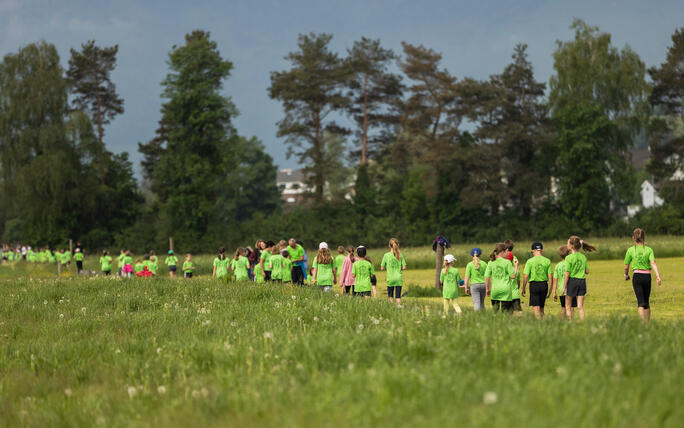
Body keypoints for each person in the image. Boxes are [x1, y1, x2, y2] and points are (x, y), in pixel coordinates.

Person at [624, 228, 662, 323]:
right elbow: (653, 263)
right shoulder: (649, 250)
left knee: (640, 302)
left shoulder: (630, 250)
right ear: (644, 238)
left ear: (633, 238)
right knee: (646, 302)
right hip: (647, 277)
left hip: (637, 276)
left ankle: (642, 325)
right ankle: (647, 324)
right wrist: (658, 276)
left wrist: (626, 274)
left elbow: (626, 266)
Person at [561, 236, 597, 321]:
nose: (567, 245)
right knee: (580, 306)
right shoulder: (583, 257)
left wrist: (563, 287)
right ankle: (582, 322)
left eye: (568, 243)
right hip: (582, 282)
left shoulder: (568, 258)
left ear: (572, 246)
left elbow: (567, 273)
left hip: (572, 281)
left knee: (568, 306)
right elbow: (587, 271)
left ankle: (570, 322)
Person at [521, 242, 553, 319]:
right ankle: (544, 323)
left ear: (532, 250)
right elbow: (550, 277)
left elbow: (526, 276)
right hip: (544, 285)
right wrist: (550, 290)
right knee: (542, 308)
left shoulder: (530, 261)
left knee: (536, 308)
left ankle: (539, 325)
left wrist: (523, 288)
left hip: (534, 285)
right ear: (542, 250)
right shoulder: (547, 261)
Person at [485, 243, 519, 312]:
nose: (508, 253)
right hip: (506, 291)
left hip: (495, 290)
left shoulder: (490, 262)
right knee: (506, 314)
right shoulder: (507, 262)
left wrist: (487, 289)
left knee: (495, 312)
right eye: (507, 251)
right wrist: (516, 267)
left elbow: (487, 277)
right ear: (503, 252)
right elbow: (513, 276)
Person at [381, 238, 407, 307]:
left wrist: (388, 267)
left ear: (389, 246)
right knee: (398, 296)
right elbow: (404, 267)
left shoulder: (386, 255)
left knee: (390, 296)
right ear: (398, 245)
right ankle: (399, 307)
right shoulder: (400, 255)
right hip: (398, 278)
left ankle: (392, 308)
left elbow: (382, 268)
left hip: (390, 278)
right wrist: (398, 268)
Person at [552, 246, 575, 318]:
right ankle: (571, 321)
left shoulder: (558, 265)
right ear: (569, 253)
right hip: (571, 289)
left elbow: (555, 280)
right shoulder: (571, 263)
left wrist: (554, 292)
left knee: (563, 307)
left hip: (561, 289)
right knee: (571, 307)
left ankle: (562, 321)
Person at [504, 240, 522, 315]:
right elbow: (517, 276)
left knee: (507, 313)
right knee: (518, 313)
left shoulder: (503, 259)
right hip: (515, 293)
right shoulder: (515, 259)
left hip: (505, 293)